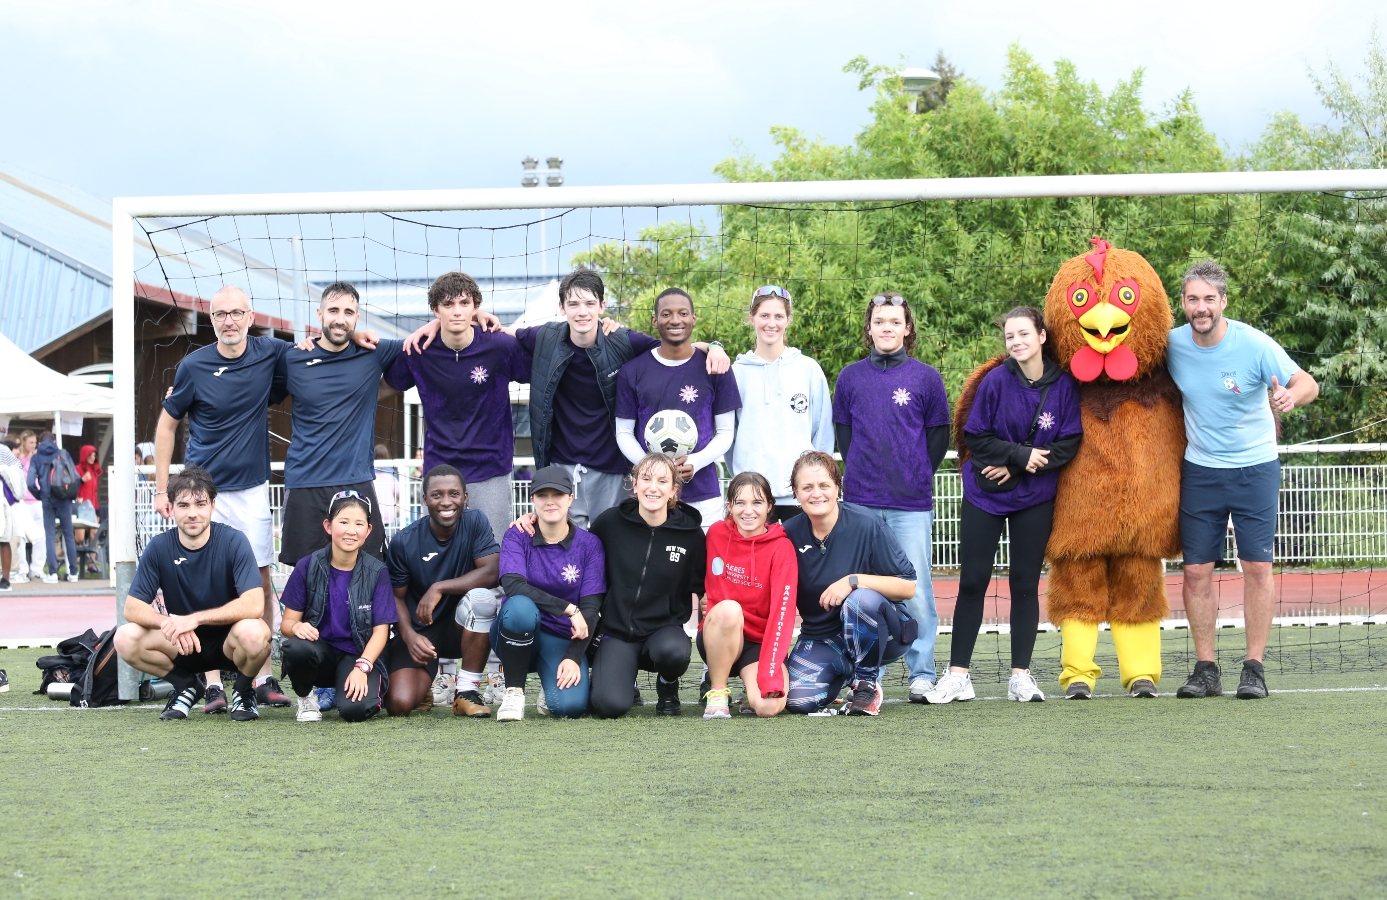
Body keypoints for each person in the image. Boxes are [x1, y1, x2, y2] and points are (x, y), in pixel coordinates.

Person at [405, 267, 731, 528]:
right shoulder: (545, 337)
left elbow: (673, 347)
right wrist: (442, 322)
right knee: (563, 550)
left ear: (603, 307)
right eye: (573, 304)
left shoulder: (622, 341)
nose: (582, 311)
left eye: (590, 303)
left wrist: (712, 346)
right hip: (561, 468)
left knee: (609, 550)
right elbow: (493, 332)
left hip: (610, 469)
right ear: (562, 308)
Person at [1166, 260, 1319, 701]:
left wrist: (1292, 395)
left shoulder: (1253, 344)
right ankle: (1206, 669)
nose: (1201, 307)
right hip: (1201, 471)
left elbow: (1306, 381)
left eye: (1209, 299)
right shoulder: (1172, 344)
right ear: (1183, 303)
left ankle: (1254, 668)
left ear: (1223, 302)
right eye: (1193, 299)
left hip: (1255, 469)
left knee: (1256, 567)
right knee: (1195, 571)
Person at [925, 307, 1083, 705]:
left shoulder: (1062, 386)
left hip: (1035, 496)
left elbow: (1068, 444)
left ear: (1042, 336)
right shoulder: (995, 381)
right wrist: (1019, 454)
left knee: (1025, 583)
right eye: (1010, 336)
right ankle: (958, 674)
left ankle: (1021, 676)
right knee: (974, 580)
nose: (1016, 342)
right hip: (985, 495)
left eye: (1023, 334)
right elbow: (976, 436)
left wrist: (1023, 466)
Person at [386, 272, 524, 704]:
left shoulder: (500, 345)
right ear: (436, 311)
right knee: (438, 570)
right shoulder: (420, 349)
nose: (457, 312)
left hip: (490, 471)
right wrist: (411, 333)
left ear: (475, 307)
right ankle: (445, 672)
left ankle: (498, 672)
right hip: (441, 476)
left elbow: (539, 355)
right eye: (449, 305)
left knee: (495, 573)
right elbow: (388, 372)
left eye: (466, 304)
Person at [155, 286, 293, 710]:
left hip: (251, 489)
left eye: (236, 313)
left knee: (262, 581)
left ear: (252, 316)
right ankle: (213, 682)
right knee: (205, 585)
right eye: (219, 314)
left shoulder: (272, 353)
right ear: (210, 320)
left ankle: (262, 677)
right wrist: (163, 488)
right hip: (202, 493)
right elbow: (166, 426)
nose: (228, 320)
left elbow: (313, 351)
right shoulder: (193, 366)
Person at [832, 291, 949, 703]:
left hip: (910, 503)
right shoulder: (849, 378)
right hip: (861, 500)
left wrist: (913, 474)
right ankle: (870, 672)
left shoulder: (926, 378)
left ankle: (922, 672)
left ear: (907, 328)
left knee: (915, 589)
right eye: (879, 321)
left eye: (894, 322)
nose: (887, 328)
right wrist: (865, 474)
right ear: (869, 328)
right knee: (866, 592)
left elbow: (937, 439)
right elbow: (844, 436)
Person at [111, 465, 273, 721]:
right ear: (171, 508)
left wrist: (195, 618)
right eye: (184, 505)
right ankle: (186, 686)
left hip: (230, 644)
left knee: (255, 633)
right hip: (183, 645)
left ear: (212, 506)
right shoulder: (160, 547)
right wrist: (171, 623)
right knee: (125, 638)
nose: (193, 513)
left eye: (200, 504)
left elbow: (254, 605)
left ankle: (243, 690)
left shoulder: (234, 541)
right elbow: (132, 607)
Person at [781, 451, 918, 716]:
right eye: (807, 487)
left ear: (837, 488)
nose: (816, 494)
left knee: (859, 599)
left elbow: (908, 587)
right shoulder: (787, 533)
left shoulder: (868, 525)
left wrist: (853, 581)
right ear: (796, 494)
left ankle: (866, 684)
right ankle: (843, 670)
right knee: (797, 702)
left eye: (824, 486)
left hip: (884, 633)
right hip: (822, 638)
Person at [277, 281, 398, 568]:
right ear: (319, 314)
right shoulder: (293, 358)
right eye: (333, 310)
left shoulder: (374, 353)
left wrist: (476, 318)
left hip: (356, 479)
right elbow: (251, 390)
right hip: (306, 482)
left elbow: (425, 340)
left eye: (348, 312)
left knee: (369, 571)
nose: (340, 318)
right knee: (306, 576)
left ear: (357, 318)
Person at [587, 453, 707, 718]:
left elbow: (703, 585)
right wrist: (535, 523)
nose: (653, 487)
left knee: (674, 653)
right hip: (617, 633)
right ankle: (624, 679)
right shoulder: (609, 523)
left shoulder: (692, 535)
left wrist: (708, 602)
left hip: (663, 633)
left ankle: (668, 684)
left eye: (662, 481)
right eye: (646, 478)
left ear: (673, 490)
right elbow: (576, 551)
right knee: (609, 706)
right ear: (635, 484)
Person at [615, 288, 742, 530]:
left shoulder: (715, 367)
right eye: (666, 314)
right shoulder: (631, 371)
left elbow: (726, 432)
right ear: (655, 321)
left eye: (683, 313)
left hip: (703, 496)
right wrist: (653, 470)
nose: (675, 320)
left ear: (693, 319)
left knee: (702, 565)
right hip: (650, 498)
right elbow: (623, 433)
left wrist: (696, 461)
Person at [384, 465, 501, 717]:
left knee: (482, 599)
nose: (446, 502)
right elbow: (396, 596)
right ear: (425, 499)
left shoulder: (475, 521)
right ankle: (424, 685)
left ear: (465, 497)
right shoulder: (404, 541)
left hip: (463, 629)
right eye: (437, 495)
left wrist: (439, 587)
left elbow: (491, 572)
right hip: (422, 632)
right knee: (399, 704)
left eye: (454, 494)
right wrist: (408, 636)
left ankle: (465, 694)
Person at [492, 466, 606, 721]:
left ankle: (549, 681)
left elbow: (590, 607)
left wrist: (574, 657)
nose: (550, 501)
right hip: (515, 628)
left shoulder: (589, 545)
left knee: (570, 708)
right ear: (532, 499)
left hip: (560, 636)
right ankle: (514, 691)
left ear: (570, 498)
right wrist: (568, 608)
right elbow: (513, 585)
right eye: (543, 495)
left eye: (558, 494)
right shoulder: (517, 534)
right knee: (521, 607)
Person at [280, 492, 396, 723]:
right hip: (319, 654)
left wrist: (363, 667)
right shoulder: (307, 565)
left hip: (357, 655)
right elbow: (287, 624)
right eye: (343, 522)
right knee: (297, 648)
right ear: (328, 526)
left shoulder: (377, 571)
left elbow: (381, 632)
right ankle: (306, 699)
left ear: (368, 530)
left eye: (358, 524)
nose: (351, 530)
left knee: (357, 710)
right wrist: (297, 628)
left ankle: (347, 687)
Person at [728, 285, 834, 523]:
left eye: (778, 316)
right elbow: (729, 437)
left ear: (788, 320)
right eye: (764, 316)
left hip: (800, 497)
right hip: (752, 498)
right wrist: (743, 476)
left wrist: (813, 482)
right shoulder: (735, 374)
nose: (771, 323)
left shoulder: (808, 369)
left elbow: (822, 433)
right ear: (751, 319)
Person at [698, 471, 797, 719]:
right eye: (740, 503)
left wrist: (771, 673)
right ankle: (718, 691)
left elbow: (782, 614)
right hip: (720, 631)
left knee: (768, 708)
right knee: (729, 610)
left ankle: (748, 690)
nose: (748, 510)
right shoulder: (716, 534)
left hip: (760, 643)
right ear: (729, 505)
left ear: (769, 507)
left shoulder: (781, 547)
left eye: (757, 502)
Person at [26, 432, 79, 584]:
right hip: (64, 498)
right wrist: (71, 495)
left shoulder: (36, 457)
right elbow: (75, 476)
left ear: (39, 443)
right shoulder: (63, 453)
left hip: (47, 499)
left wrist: (40, 495)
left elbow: (30, 482)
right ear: (54, 441)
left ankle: (53, 573)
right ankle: (74, 573)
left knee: (49, 535)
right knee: (69, 535)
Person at [16, 431, 44, 580]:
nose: (34, 445)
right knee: (21, 536)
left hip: (37, 501)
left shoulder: (38, 457)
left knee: (40, 536)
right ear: (24, 442)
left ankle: (37, 568)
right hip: (24, 501)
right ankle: (22, 568)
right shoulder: (19, 458)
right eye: (31, 442)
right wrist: (29, 460)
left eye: (35, 442)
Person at [0, 440, 26, 591]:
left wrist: (2, 471)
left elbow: (17, 469)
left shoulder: (3, 450)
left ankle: (5, 579)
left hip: (3, 501)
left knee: (4, 539)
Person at [74, 445, 102, 553]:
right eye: (90, 455)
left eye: (94, 455)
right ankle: (65, 556)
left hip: (92, 507)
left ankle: (92, 564)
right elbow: (71, 486)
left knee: (94, 533)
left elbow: (94, 492)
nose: (92, 458)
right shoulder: (77, 469)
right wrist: (81, 480)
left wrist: (97, 511)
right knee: (79, 538)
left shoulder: (95, 471)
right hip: (81, 507)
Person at [373, 443, 400, 528]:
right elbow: (398, 492)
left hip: (374, 510)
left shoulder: (369, 472)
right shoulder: (392, 472)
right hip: (389, 511)